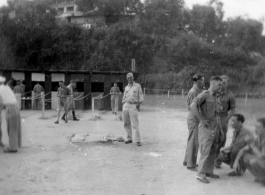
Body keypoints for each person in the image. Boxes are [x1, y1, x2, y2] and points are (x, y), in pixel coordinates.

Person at [190, 76, 223, 184]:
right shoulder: (204, 94)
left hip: (215, 126)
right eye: (219, 84)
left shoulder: (216, 96)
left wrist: (220, 128)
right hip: (206, 128)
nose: (221, 86)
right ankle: (200, 175)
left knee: (213, 149)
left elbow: (217, 114)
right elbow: (192, 105)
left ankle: (208, 171)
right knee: (205, 151)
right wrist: (201, 120)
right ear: (212, 83)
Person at [233, 118, 265, 185]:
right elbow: (243, 150)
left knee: (253, 161)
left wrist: (251, 144)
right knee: (245, 157)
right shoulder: (258, 138)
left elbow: (261, 156)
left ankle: (263, 178)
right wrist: (236, 161)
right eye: (255, 127)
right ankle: (261, 177)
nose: (256, 129)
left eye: (259, 127)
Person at [183, 74, 204, 171]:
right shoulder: (194, 91)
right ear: (198, 81)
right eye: (202, 80)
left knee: (191, 140)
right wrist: (200, 119)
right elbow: (191, 107)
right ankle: (191, 165)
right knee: (194, 141)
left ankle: (187, 161)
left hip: (194, 117)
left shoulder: (198, 91)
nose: (203, 82)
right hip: (194, 118)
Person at [215, 75, 236, 168]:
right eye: (221, 83)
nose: (222, 85)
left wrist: (226, 119)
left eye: (224, 83)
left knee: (221, 139)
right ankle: (210, 159)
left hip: (223, 118)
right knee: (212, 139)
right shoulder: (214, 92)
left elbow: (233, 110)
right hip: (213, 118)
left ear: (227, 84)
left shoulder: (230, 95)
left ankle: (217, 161)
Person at [0, 76, 22, 153]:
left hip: (10, 108)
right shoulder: (6, 88)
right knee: (15, 127)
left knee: (12, 128)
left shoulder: (1, 89)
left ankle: (13, 148)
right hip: (15, 108)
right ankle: (16, 145)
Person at [122, 73, 144, 146]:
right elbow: (123, 97)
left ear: (133, 78)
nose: (130, 79)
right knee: (126, 123)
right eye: (128, 78)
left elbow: (140, 96)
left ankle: (138, 140)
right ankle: (129, 138)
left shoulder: (137, 86)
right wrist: (124, 104)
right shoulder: (126, 87)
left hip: (133, 105)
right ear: (127, 79)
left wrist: (138, 104)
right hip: (126, 105)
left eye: (131, 78)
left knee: (135, 123)